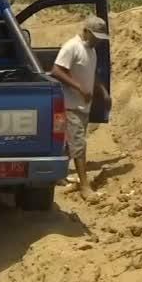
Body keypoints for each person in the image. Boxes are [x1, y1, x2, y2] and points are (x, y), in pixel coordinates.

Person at [50, 15, 110, 201]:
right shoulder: (72, 47)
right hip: (70, 104)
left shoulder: (91, 51)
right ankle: (85, 187)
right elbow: (56, 71)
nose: (98, 41)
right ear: (86, 31)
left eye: (101, 38)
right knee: (79, 145)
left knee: (71, 144)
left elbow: (93, 74)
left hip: (83, 106)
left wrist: (103, 92)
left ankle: (57, 176)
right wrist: (79, 87)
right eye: (96, 36)